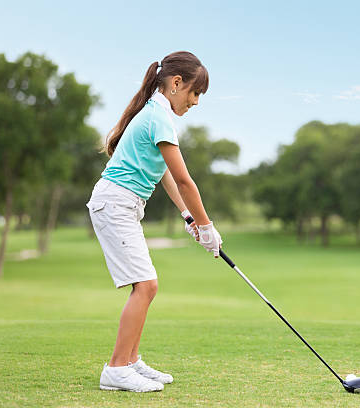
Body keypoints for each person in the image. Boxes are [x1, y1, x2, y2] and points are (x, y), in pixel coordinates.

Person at [86, 51, 222, 392]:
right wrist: (207, 228)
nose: (195, 102)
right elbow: (186, 180)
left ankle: (130, 362)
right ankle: (116, 369)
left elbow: (166, 178)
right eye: (195, 93)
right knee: (145, 286)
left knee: (146, 285)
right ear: (176, 84)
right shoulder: (158, 117)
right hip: (115, 203)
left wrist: (190, 217)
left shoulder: (156, 114)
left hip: (122, 204)